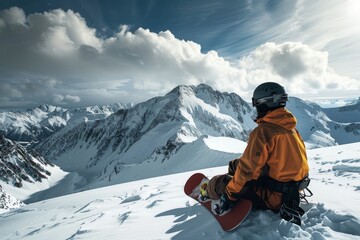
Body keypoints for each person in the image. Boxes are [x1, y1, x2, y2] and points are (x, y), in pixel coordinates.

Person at [200, 82, 311, 225]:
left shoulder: (264, 132)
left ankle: (207, 191)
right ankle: (233, 182)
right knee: (236, 164)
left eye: (256, 104)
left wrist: (229, 196)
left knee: (222, 182)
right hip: (292, 191)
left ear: (263, 104)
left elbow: (247, 171)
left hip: (273, 197)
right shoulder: (291, 129)